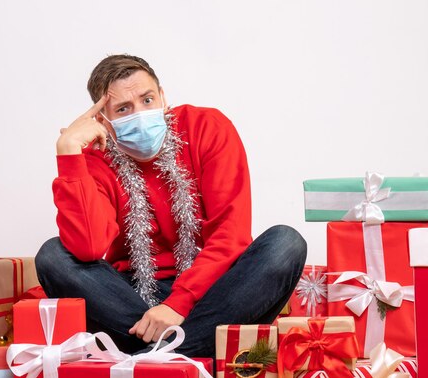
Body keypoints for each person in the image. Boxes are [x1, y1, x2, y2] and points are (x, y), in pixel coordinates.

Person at [36, 54, 306, 358]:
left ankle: (156, 359)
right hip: (132, 303)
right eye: (124, 109)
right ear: (102, 120)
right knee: (52, 256)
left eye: (147, 99)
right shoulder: (95, 159)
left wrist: (178, 303)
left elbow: (230, 234)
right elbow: (88, 247)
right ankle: (179, 355)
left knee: (286, 243)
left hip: (213, 293)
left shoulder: (207, 127)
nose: (140, 114)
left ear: (163, 97)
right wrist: (70, 153)